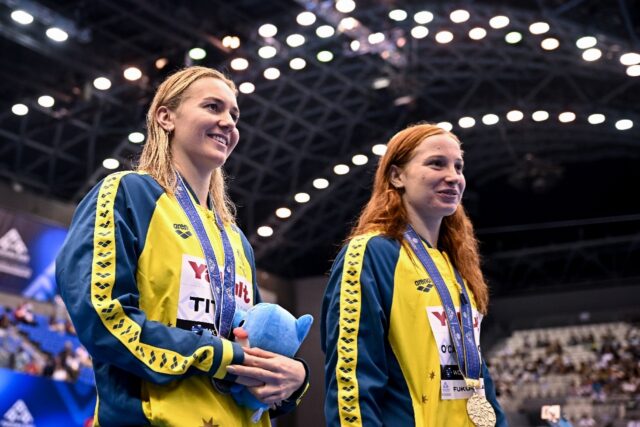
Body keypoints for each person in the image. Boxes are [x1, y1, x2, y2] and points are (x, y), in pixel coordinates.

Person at [56, 66, 309, 426]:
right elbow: (102, 315)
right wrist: (219, 355)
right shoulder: (128, 195)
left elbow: (255, 342)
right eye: (213, 107)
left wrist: (293, 378)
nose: (228, 123)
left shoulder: (235, 239)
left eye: (234, 115)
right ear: (166, 116)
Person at [321, 123, 506, 426]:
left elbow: (476, 371)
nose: (453, 176)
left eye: (458, 166)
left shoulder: (456, 267)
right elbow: (352, 382)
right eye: (437, 163)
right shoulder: (371, 253)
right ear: (397, 176)